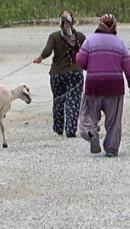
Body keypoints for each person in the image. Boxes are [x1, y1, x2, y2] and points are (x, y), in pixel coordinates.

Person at [76, 14, 130, 157]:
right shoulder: (121, 43)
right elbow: (128, 67)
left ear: (99, 25)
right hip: (115, 86)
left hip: (94, 85)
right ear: (115, 26)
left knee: (88, 115)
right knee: (114, 120)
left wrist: (90, 65)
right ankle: (111, 149)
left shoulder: (89, 41)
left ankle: (91, 134)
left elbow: (80, 61)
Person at [33, 10, 86, 138]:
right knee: (73, 101)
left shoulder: (54, 36)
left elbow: (47, 51)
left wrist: (40, 58)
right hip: (75, 73)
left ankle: (58, 128)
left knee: (58, 100)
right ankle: (70, 129)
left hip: (56, 74)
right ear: (73, 21)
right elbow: (86, 52)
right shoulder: (80, 37)